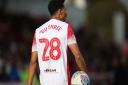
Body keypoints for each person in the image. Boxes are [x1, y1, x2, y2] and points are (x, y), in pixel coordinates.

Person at [27, 0, 87, 85]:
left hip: (44, 82)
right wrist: (85, 76)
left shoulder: (38, 31)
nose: (66, 13)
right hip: (62, 81)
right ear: (59, 11)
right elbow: (77, 55)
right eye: (65, 10)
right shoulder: (66, 28)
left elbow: (33, 61)